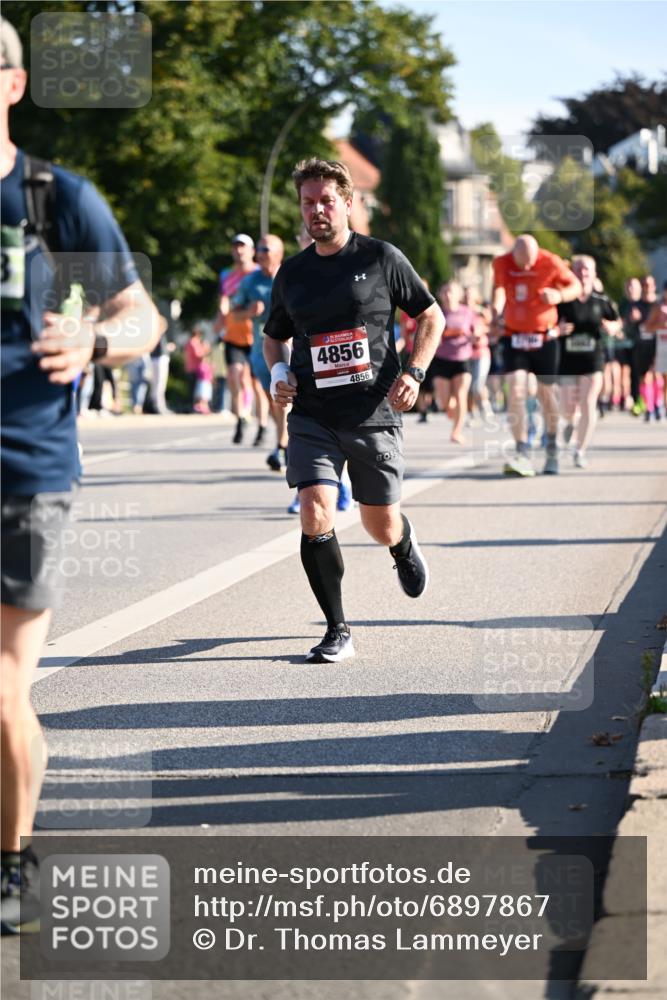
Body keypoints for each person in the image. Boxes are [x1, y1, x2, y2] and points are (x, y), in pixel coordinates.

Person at [0, 18, 161, 934]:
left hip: (26, 468)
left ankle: (10, 859)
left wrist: (96, 340)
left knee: (2, 688)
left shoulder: (54, 199)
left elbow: (140, 319)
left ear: (14, 85)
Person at [263, 158, 444, 663]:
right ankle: (337, 627)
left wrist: (413, 372)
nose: (316, 211)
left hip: (373, 410)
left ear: (347, 202)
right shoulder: (293, 273)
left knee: (379, 522)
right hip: (313, 413)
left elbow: (431, 316)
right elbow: (272, 338)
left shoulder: (382, 257)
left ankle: (402, 545)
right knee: (314, 510)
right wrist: (279, 374)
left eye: (325, 201)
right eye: (307, 203)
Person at [491, 234, 580, 476]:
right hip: (514, 336)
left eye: (531, 262)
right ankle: (522, 451)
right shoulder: (501, 263)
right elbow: (498, 289)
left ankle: (551, 446)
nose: (527, 267)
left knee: (546, 393)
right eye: (523, 263)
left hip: (545, 338)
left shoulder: (551, 261)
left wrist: (559, 296)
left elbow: (576, 287)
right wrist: (496, 308)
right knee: (515, 389)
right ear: (514, 253)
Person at [557, 255, 620, 468]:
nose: (583, 274)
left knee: (588, 402)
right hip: (567, 361)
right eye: (579, 269)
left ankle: (580, 451)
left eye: (587, 270)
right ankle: (570, 423)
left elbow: (617, 321)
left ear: (594, 275)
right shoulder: (564, 300)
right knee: (567, 408)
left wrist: (613, 328)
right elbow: (548, 324)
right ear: (572, 273)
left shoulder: (601, 300)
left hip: (593, 359)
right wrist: (558, 330)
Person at [230, 234, 286, 458]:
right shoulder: (250, 282)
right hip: (262, 349)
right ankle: (285, 441)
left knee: (286, 397)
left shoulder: (290, 276)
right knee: (274, 399)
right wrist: (249, 312)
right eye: (259, 250)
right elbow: (234, 315)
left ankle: (283, 447)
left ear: (279, 253)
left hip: (292, 345)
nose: (260, 254)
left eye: (265, 250)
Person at [216, 234, 258, 443]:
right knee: (235, 375)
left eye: (243, 247)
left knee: (252, 381)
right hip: (232, 334)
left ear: (251, 251)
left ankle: (258, 420)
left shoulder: (258, 273)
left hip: (255, 335)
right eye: (235, 247)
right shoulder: (226, 275)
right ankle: (240, 415)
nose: (239, 251)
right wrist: (219, 321)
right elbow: (223, 300)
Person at [432, 280, 474, 444]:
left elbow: (478, 329)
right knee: (445, 403)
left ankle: (456, 432)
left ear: (458, 295)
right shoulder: (437, 313)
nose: (448, 295)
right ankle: (451, 410)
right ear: (441, 295)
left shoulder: (468, 312)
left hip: (463, 358)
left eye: (451, 292)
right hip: (441, 358)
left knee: (461, 395)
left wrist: (474, 335)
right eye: (445, 292)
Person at [183, 326, 210, 410]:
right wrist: (206, 349)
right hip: (194, 368)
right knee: (194, 389)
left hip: (190, 367)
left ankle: (191, 406)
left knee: (192, 388)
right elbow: (198, 355)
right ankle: (192, 406)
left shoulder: (189, 342)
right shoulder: (194, 342)